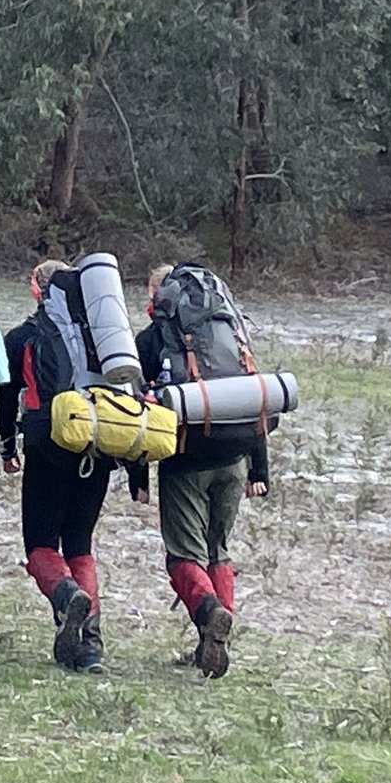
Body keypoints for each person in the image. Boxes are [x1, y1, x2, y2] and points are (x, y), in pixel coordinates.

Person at [0, 260, 147, 675]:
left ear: (37, 289)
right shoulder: (105, 339)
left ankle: (66, 599)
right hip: (99, 448)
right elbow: (132, 399)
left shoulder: (24, 337)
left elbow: (7, 398)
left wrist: (8, 447)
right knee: (79, 543)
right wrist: (138, 474)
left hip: (47, 449)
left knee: (40, 544)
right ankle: (91, 647)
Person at [139, 262, 271, 679]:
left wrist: (138, 477)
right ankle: (213, 641)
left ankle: (210, 612)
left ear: (160, 299)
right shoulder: (230, 333)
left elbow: (137, 411)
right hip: (236, 459)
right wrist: (257, 469)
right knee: (219, 551)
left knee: (183, 555)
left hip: (185, 462)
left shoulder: (151, 339)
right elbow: (253, 395)